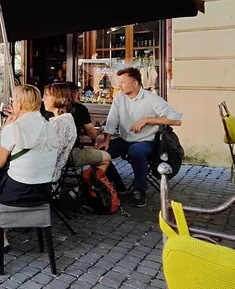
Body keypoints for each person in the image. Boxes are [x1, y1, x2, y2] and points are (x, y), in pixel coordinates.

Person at [0, 85, 60, 248]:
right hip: (44, 191)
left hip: (17, 192)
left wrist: (4, 130)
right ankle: (0, 232)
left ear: (19, 105)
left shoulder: (14, 128)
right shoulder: (49, 127)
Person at [97, 67, 183, 208]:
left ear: (135, 83)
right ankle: (118, 185)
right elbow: (112, 119)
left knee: (136, 151)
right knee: (101, 153)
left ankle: (140, 191)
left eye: (123, 82)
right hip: (125, 140)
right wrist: (106, 140)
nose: (120, 85)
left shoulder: (152, 99)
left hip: (146, 141)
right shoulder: (120, 96)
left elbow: (176, 120)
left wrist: (147, 119)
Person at [65, 82, 111, 172]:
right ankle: (89, 181)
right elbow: (93, 135)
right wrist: (101, 129)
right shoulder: (80, 109)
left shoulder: (51, 109)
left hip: (52, 155)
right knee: (106, 157)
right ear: (76, 94)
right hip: (73, 153)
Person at [42, 85, 79, 182]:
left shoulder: (61, 122)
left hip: (45, 174)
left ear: (58, 98)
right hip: (47, 171)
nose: (43, 99)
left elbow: (51, 153)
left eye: (46, 95)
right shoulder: (63, 119)